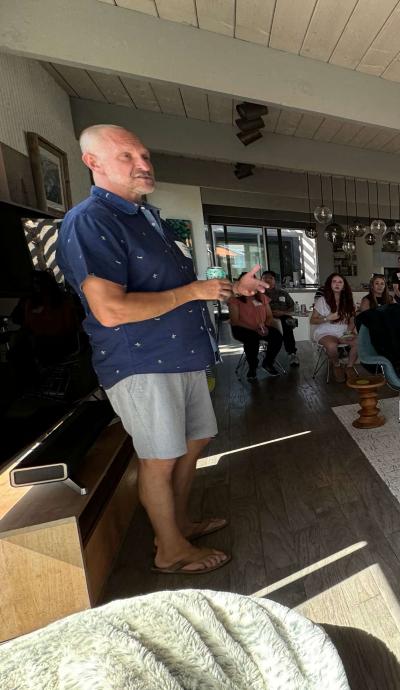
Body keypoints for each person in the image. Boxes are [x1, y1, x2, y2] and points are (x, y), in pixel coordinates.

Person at [56, 124, 267, 575]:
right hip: (142, 362)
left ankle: (181, 523)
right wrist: (193, 292)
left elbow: (187, 290)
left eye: (144, 154)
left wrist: (233, 290)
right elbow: (110, 310)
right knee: (159, 456)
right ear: (93, 163)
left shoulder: (147, 218)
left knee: (194, 443)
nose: (143, 164)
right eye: (127, 157)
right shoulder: (91, 220)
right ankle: (169, 548)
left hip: (184, 357)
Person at [228, 274, 282, 380]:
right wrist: (254, 328)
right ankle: (252, 367)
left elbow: (269, 315)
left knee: (277, 336)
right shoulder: (235, 299)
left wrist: (265, 325)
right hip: (242, 328)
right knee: (252, 339)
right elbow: (235, 321)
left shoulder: (262, 297)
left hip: (261, 328)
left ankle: (267, 363)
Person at [310, 272, 355, 383]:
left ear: (344, 286)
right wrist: (327, 318)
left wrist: (349, 330)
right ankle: (336, 365)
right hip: (325, 331)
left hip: (343, 331)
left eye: (340, 282)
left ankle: (349, 367)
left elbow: (353, 319)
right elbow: (312, 320)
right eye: (334, 281)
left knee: (359, 342)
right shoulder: (322, 300)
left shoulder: (348, 301)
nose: (337, 284)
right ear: (329, 284)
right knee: (331, 345)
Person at [260, 270, 299, 367]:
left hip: (283, 316)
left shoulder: (283, 293)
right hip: (266, 319)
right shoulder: (258, 295)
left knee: (286, 324)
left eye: (271, 278)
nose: (268, 280)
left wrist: (283, 312)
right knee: (285, 324)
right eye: (265, 278)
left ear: (274, 280)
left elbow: (293, 307)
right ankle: (272, 356)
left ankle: (292, 354)